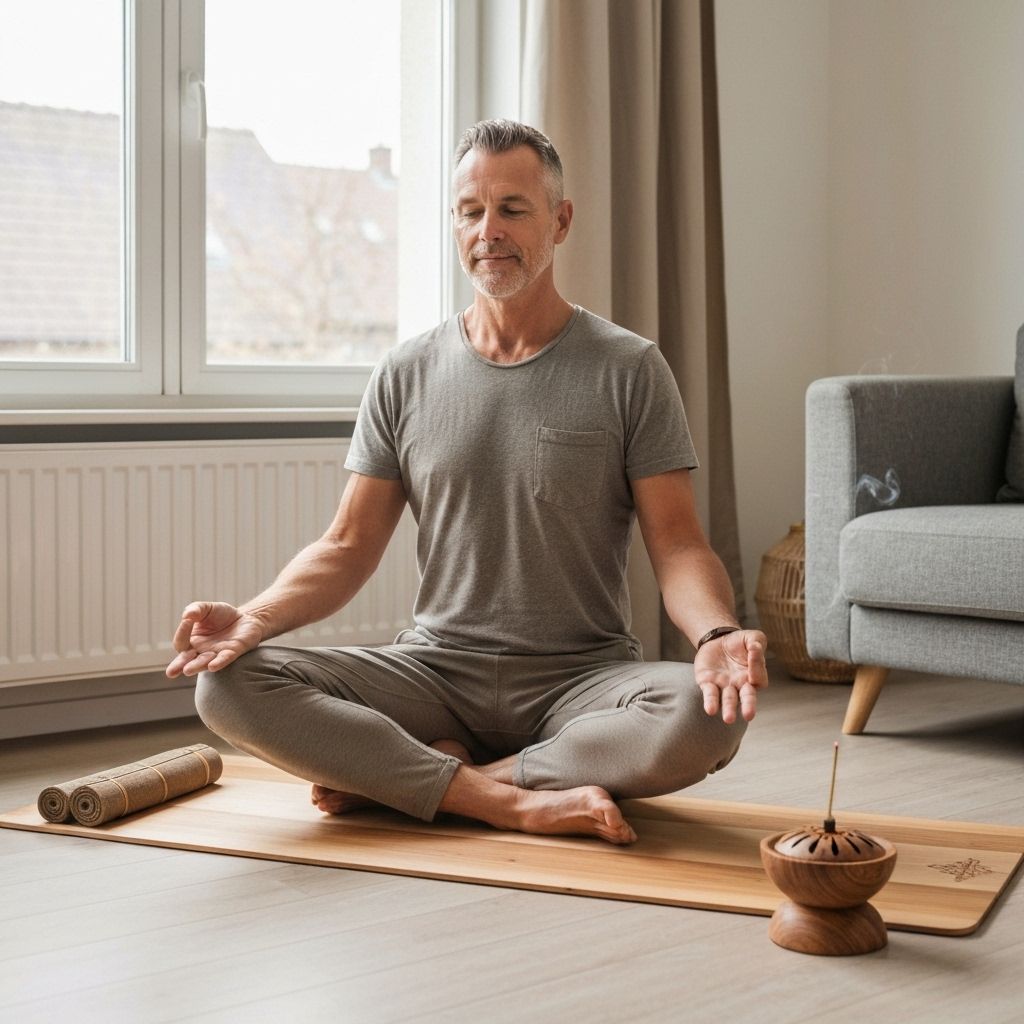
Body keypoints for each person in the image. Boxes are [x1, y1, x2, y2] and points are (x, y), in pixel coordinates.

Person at [166, 119, 767, 846]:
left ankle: (434, 779)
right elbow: (347, 545)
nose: (490, 231)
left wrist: (716, 634)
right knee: (227, 684)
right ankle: (507, 800)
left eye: (513, 208)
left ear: (561, 220)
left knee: (704, 713)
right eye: (471, 211)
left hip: (580, 683)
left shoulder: (629, 368)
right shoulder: (404, 372)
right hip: (434, 675)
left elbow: (677, 547)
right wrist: (254, 619)